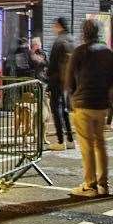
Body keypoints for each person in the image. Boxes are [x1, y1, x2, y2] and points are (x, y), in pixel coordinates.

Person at [65, 19, 113, 197]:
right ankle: (104, 184)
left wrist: (71, 98)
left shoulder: (80, 51)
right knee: (100, 144)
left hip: (83, 102)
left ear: (84, 33)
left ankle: (90, 185)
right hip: (101, 103)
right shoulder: (109, 52)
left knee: (87, 145)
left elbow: (70, 79)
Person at [45, 17, 73, 150]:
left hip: (56, 80)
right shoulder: (71, 39)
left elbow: (52, 65)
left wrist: (48, 82)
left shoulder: (58, 42)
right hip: (67, 80)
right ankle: (70, 140)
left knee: (56, 109)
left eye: (55, 25)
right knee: (65, 109)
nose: (53, 28)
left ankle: (61, 141)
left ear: (59, 26)